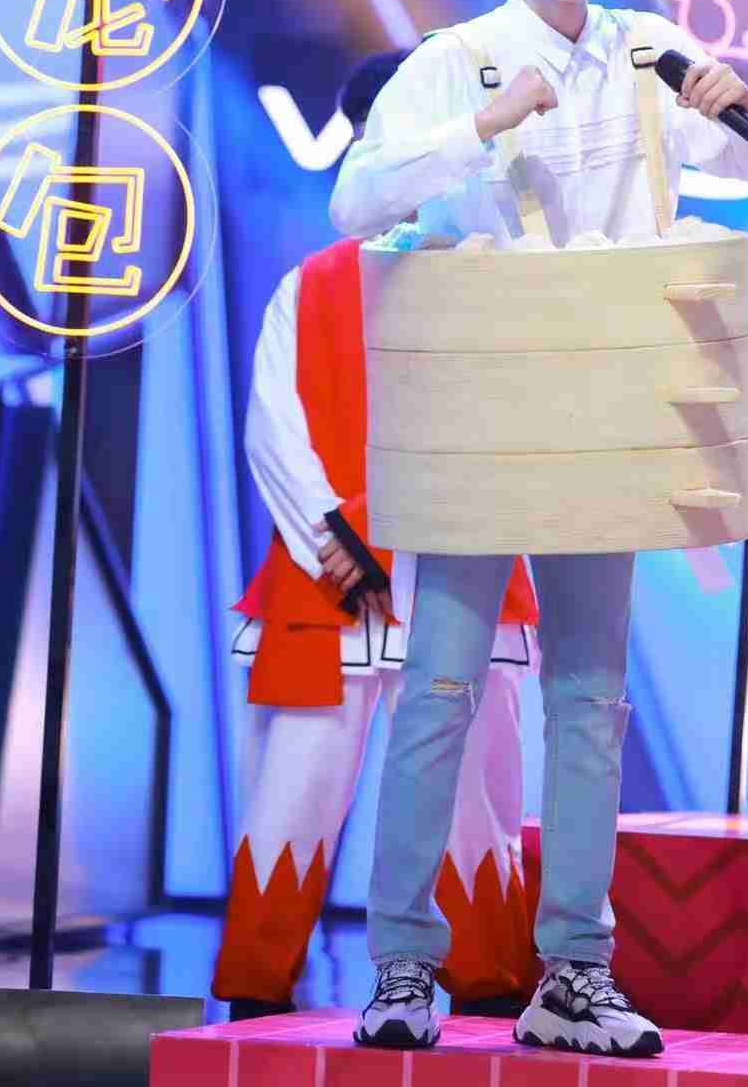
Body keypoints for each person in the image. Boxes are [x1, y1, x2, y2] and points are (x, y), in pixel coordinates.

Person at [330, 0, 748, 1057]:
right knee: (440, 684)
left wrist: (745, 102)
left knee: (590, 697)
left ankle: (575, 973)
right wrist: (479, 130)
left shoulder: (647, 52)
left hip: (605, 406)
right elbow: (354, 198)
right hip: (485, 408)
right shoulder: (457, 58)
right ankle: (403, 965)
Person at [212, 51, 540, 1021]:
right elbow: (273, 426)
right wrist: (336, 543)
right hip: (335, 585)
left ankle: (487, 978)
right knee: (297, 787)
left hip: (462, 570)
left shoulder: (500, 283)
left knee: (475, 794)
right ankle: (259, 983)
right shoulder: (312, 285)